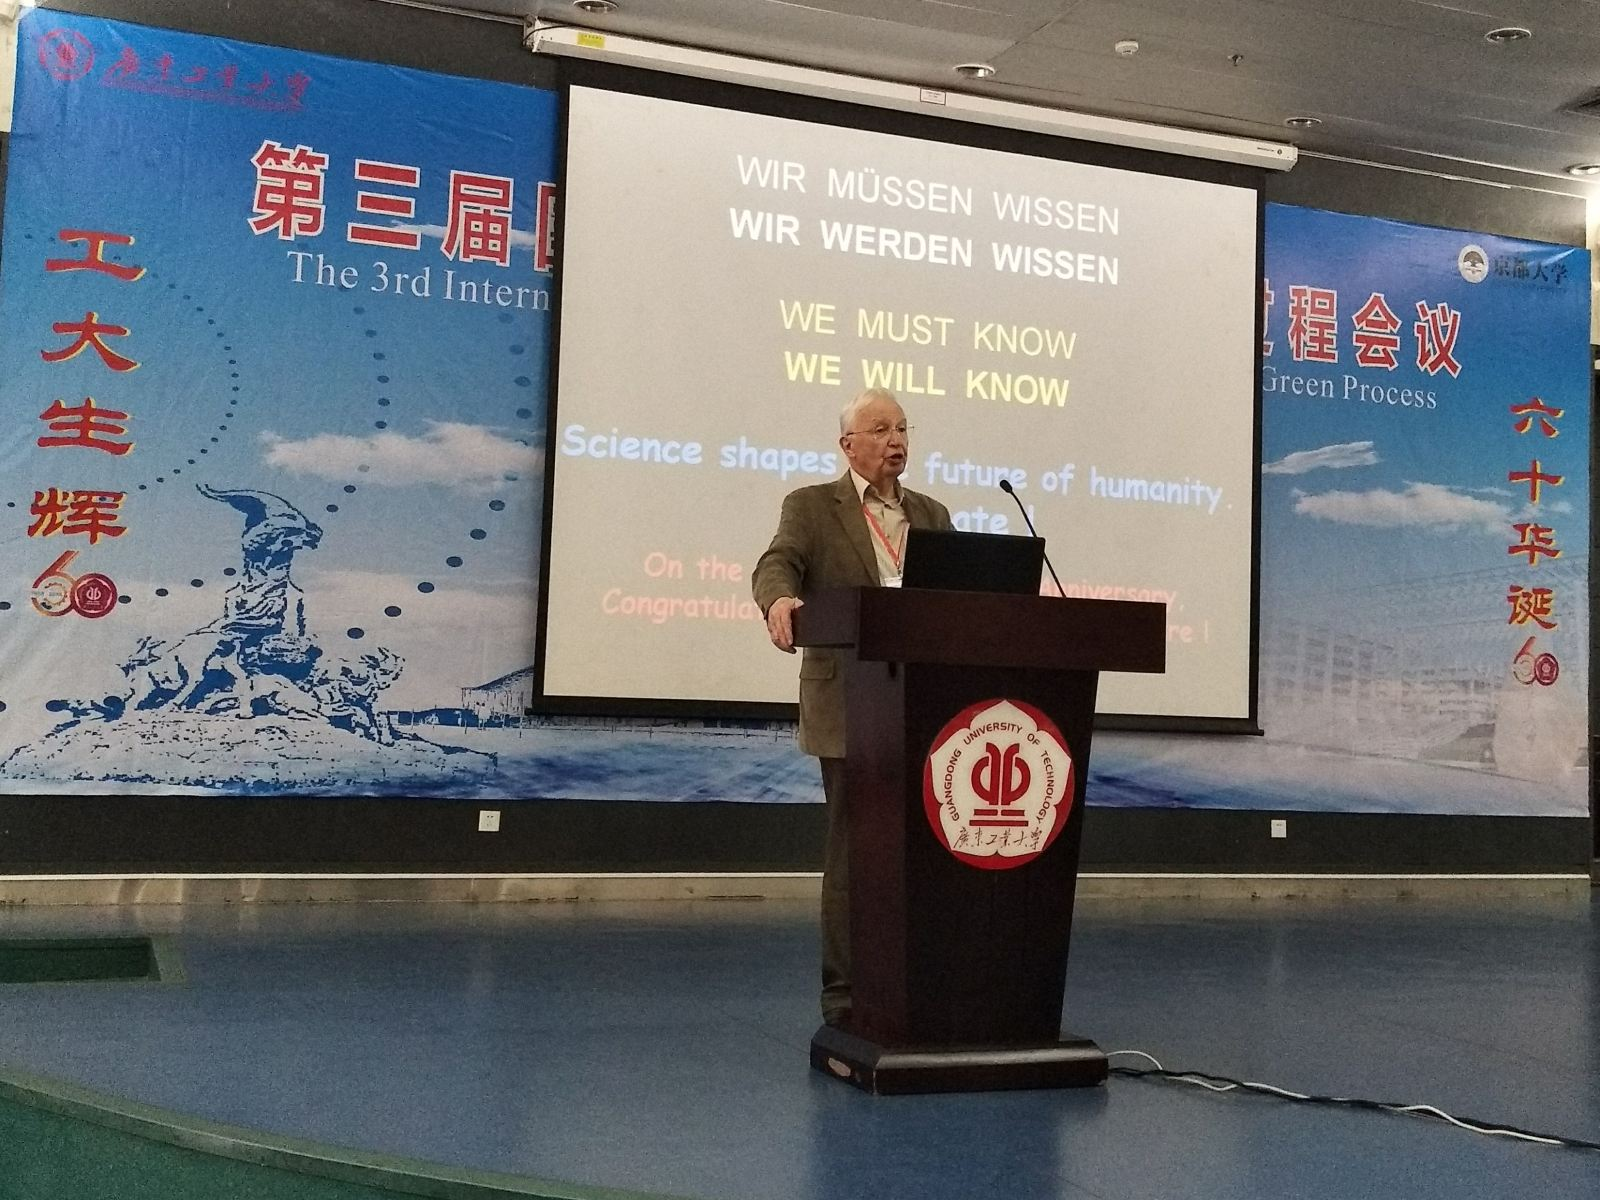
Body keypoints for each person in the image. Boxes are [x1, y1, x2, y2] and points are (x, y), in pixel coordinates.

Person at [752, 388, 952, 1028]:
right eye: (881, 429)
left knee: (925, 850)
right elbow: (777, 562)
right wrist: (779, 600)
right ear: (849, 445)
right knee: (852, 852)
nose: (897, 440)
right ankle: (844, 992)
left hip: (926, 707)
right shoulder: (812, 506)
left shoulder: (932, 514)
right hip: (848, 703)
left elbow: (960, 599)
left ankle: (920, 978)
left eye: (903, 428)